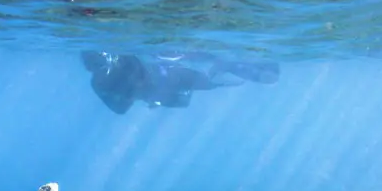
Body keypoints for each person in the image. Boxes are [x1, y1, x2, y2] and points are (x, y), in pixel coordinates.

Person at [81, 51, 280, 114]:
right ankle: (252, 71)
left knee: (209, 75)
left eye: (97, 61)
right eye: (93, 64)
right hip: (168, 85)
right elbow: (121, 109)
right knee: (210, 78)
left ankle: (252, 70)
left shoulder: (123, 61)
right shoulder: (98, 83)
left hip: (169, 79)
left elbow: (142, 71)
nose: (97, 66)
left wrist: (133, 91)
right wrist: (132, 93)